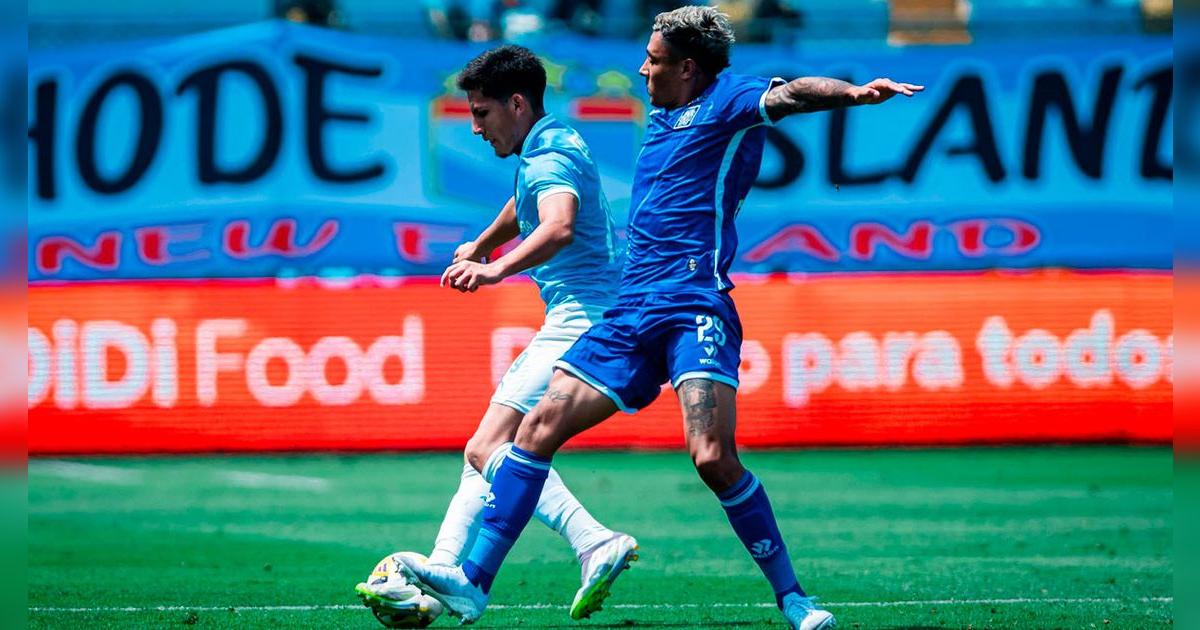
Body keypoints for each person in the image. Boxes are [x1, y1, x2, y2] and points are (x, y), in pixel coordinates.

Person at [397, 6, 923, 629]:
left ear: (689, 68)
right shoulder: (656, 118)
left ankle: (794, 599)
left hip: (692, 303)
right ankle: (473, 583)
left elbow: (792, 94)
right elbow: (531, 199)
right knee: (533, 431)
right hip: (628, 312)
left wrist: (854, 94)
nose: (642, 69)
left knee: (712, 458)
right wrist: (487, 245)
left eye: (654, 60)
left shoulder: (727, 101)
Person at [355, 44, 637, 622]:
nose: (475, 127)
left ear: (516, 104)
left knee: (488, 448)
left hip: (583, 319)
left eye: (481, 113)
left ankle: (592, 540)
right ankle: (443, 577)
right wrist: (484, 243)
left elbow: (557, 226)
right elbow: (526, 201)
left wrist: (494, 269)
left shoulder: (548, 157)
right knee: (481, 453)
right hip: (588, 314)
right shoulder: (551, 142)